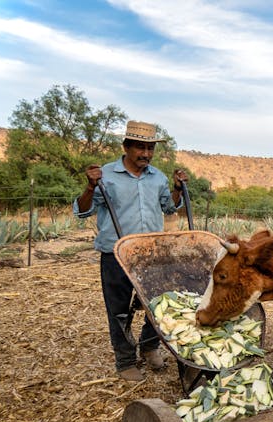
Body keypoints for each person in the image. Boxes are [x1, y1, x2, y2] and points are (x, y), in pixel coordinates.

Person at [74, 120, 189, 381]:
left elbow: (169, 208)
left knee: (157, 304)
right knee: (119, 309)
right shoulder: (105, 175)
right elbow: (83, 211)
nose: (146, 154)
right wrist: (90, 187)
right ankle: (125, 361)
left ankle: (150, 347)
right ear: (126, 147)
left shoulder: (157, 177)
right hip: (116, 253)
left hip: (150, 253)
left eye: (150, 148)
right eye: (140, 147)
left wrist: (177, 190)